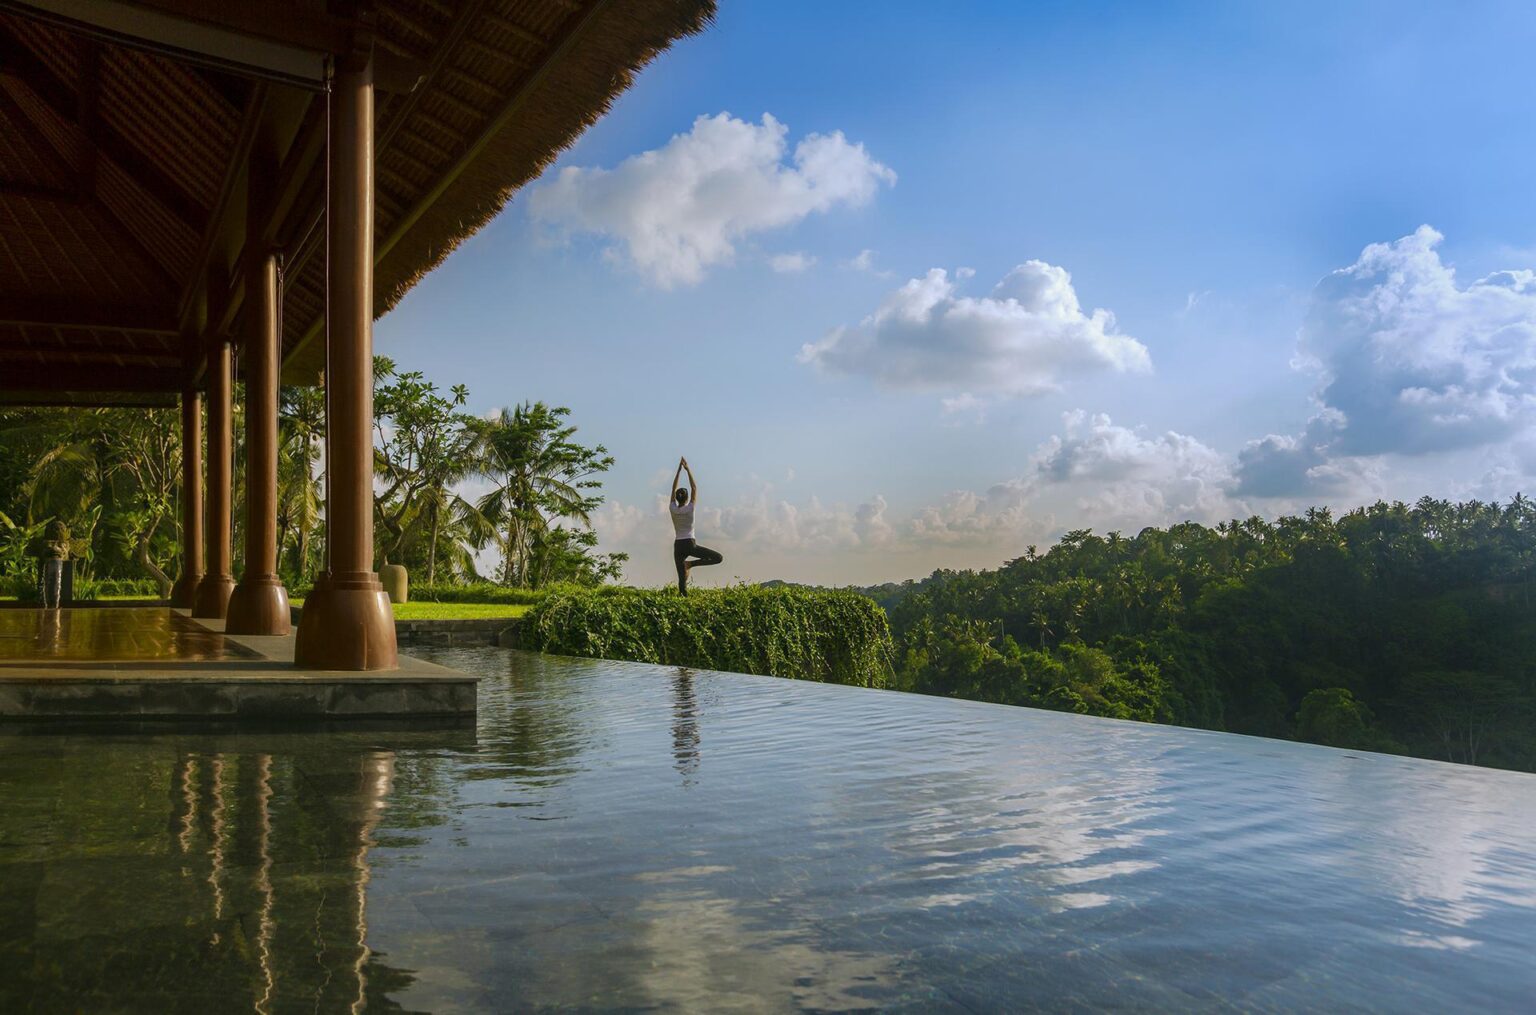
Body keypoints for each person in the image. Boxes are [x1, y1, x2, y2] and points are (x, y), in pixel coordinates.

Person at [670, 456, 722, 594]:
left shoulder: (673, 509)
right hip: (690, 544)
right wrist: (687, 469)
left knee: (682, 582)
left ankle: (683, 601)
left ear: (676, 498)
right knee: (718, 558)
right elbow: (694, 487)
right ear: (687, 498)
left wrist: (678, 471)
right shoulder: (690, 508)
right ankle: (691, 564)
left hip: (678, 546)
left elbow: (673, 488)